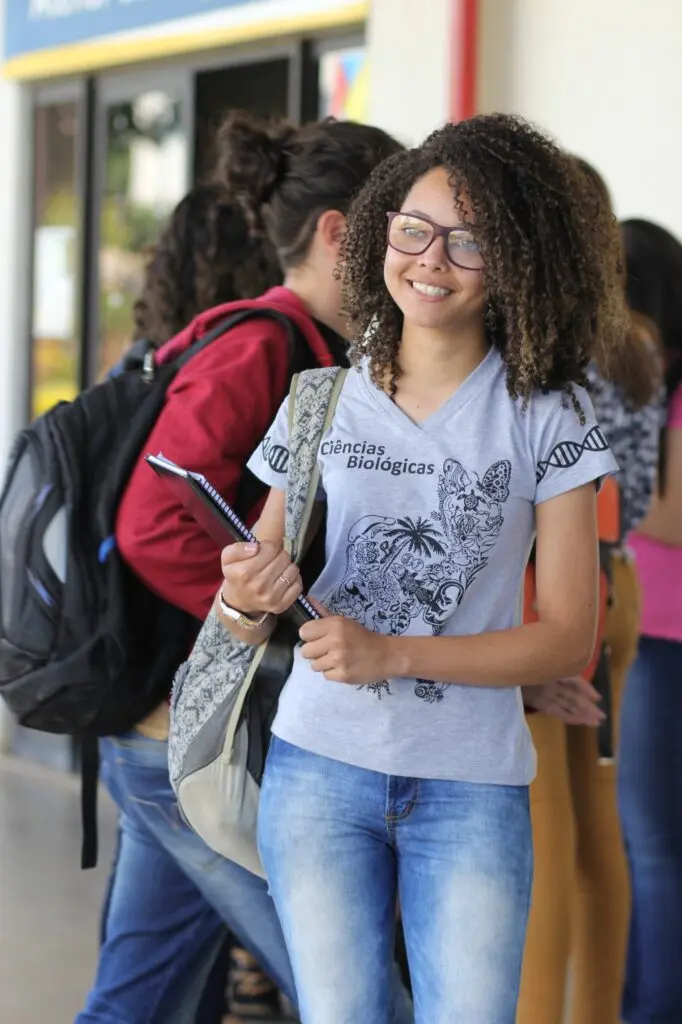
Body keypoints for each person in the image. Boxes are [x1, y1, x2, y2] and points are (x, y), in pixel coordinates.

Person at [218, 113, 621, 1023]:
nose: (431, 260)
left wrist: (393, 653)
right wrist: (246, 595)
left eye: (469, 240)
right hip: (317, 770)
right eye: (414, 229)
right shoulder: (321, 399)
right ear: (379, 233)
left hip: (471, 783)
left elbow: (569, 639)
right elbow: (244, 608)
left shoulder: (546, 413)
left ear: (515, 259)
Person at [78, 116, 413, 1024]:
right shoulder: (266, 346)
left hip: (180, 734)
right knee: (360, 997)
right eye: (403, 227)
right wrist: (270, 618)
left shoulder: (321, 351)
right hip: (191, 737)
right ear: (342, 232)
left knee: (139, 1001)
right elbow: (154, 524)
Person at [517, 160, 665, 1024]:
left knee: (544, 827)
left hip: (549, 593)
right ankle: (596, 1011)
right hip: (618, 583)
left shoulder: (546, 340)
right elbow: (637, 489)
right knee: (595, 817)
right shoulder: (631, 338)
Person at [617, 217, 682, 1024]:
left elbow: (671, 512)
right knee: (644, 844)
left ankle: (652, 1010)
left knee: (655, 846)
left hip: (664, 639)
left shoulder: (659, 384)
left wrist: (596, 491)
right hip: (648, 633)